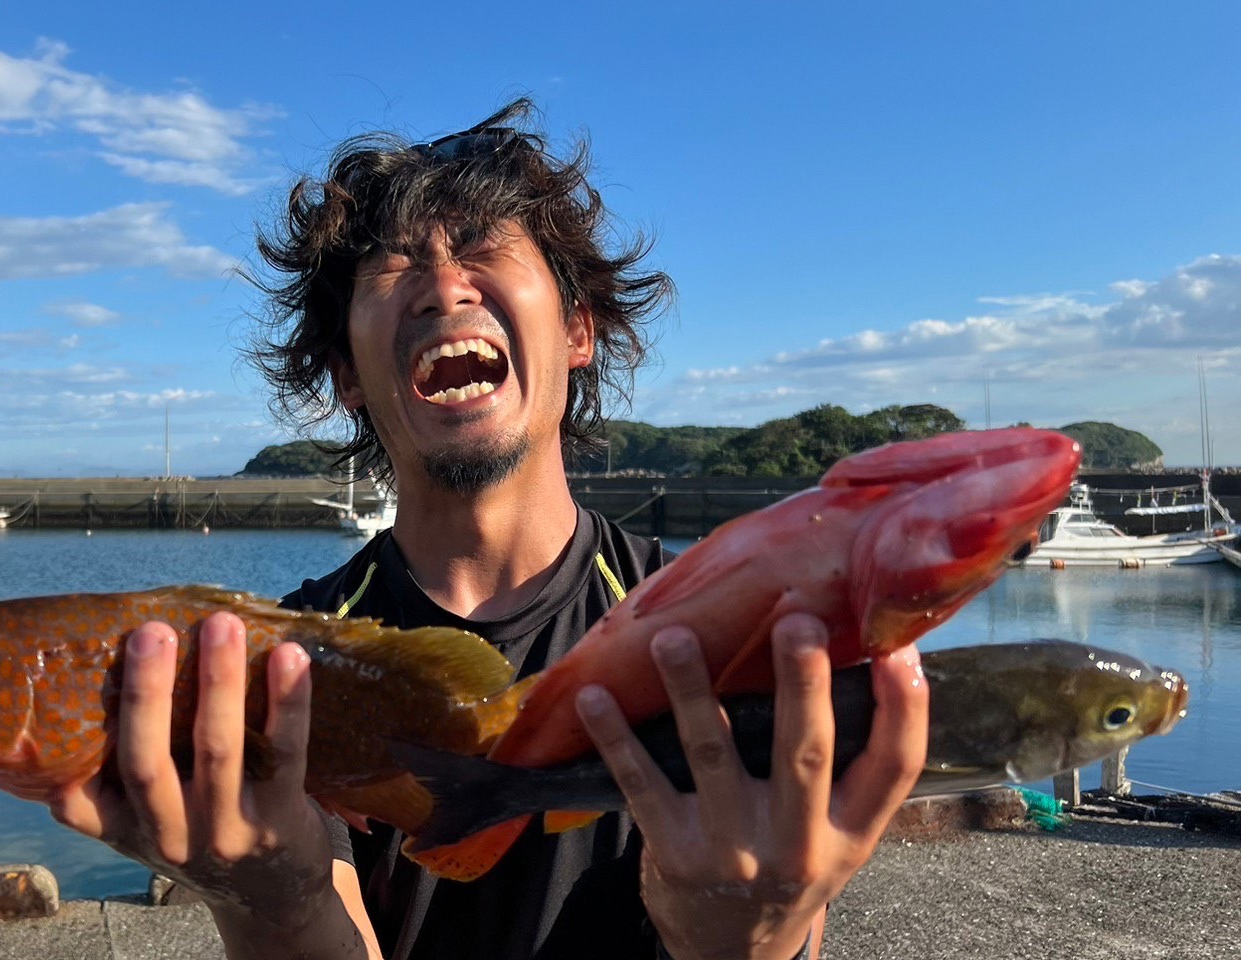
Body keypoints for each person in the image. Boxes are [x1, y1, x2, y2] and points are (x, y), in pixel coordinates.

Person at [51, 98, 929, 960]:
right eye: (395, 268)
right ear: (346, 375)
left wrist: (750, 939)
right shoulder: (279, 667)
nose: (442, 287)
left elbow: (774, 923)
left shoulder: (720, 637)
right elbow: (315, 923)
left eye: (482, 248)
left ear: (577, 329)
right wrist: (270, 900)